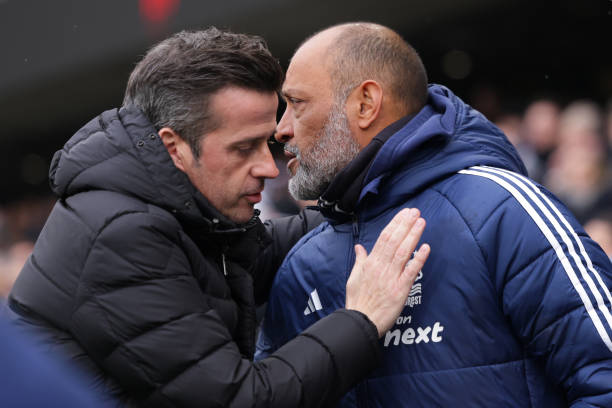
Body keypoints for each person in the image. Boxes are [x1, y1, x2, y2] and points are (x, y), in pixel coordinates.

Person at [6, 28, 430, 407]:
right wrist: (362, 320)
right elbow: (240, 399)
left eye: (266, 143)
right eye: (244, 148)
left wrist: (378, 201)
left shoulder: (169, 208)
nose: (268, 167)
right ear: (173, 147)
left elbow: (270, 248)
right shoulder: (121, 235)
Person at [256, 22, 612, 407]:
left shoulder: (502, 209)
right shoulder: (302, 263)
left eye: (297, 103)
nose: (281, 130)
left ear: (366, 103)